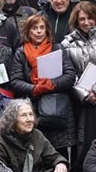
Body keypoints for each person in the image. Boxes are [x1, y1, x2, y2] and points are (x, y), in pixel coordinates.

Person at [60, 1, 96, 172]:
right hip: (81, 99)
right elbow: (68, 72)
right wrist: (84, 93)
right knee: (83, 138)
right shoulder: (67, 42)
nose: (86, 22)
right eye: (81, 19)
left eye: (90, 18)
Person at [9, 13, 77, 156]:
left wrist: (51, 84)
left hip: (57, 108)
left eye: (42, 28)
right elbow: (15, 81)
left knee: (60, 153)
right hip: (33, 109)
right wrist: (35, 88)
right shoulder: (21, 53)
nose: (39, 31)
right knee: (37, 152)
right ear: (28, 31)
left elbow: (70, 76)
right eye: (34, 28)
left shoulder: (57, 48)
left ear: (47, 30)